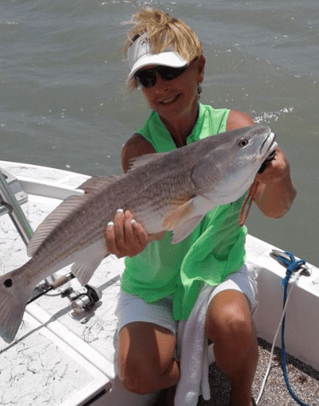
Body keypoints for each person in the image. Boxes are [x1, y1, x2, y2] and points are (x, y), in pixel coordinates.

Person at [105, 7, 296, 406]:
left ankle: (241, 397)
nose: (161, 86)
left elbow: (277, 210)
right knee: (137, 376)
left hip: (216, 268)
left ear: (200, 69)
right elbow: (157, 229)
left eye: (172, 71)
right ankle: (184, 367)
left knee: (233, 323)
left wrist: (277, 177)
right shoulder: (137, 150)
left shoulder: (234, 132)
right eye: (147, 77)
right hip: (153, 281)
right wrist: (129, 242)